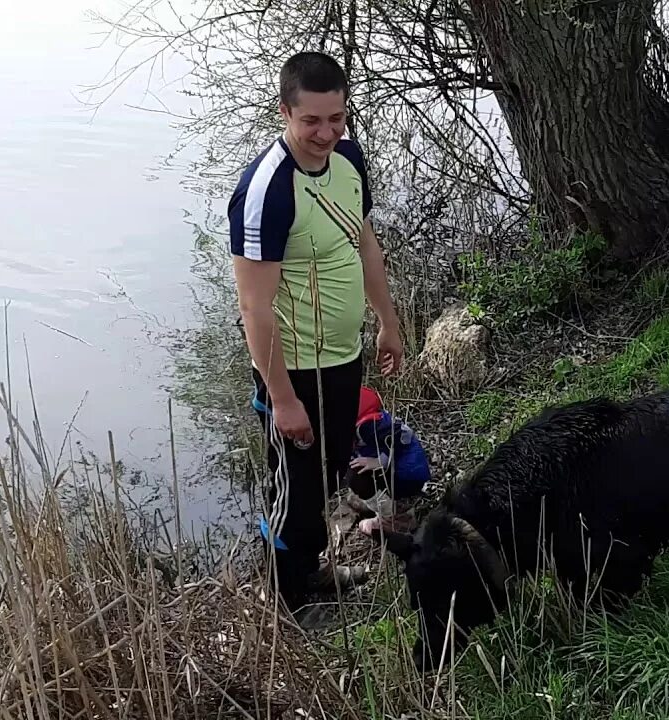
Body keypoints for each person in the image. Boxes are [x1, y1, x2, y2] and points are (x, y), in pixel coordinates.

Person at [228, 50, 404, 626]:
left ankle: (314, 568)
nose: (326, 133)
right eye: (311, 121)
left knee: (329, 470)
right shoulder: (267, 191)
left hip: (344, 355)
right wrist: (281, 398)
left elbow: (365, 245)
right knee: (295, 492)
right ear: (285, 112)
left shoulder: (349, 159)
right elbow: (253, 306)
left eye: (337, 118)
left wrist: (389, 320)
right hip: (293, 367)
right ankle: (285, 603)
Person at [344, 385, 432, 534]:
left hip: (406, 473)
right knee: (354, 475)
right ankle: (379, 501)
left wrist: (380, 461)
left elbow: (403, 434)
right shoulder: (356, 421)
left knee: (355, 476)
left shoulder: (367, 426)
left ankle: (396, 518)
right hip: (398, 468)